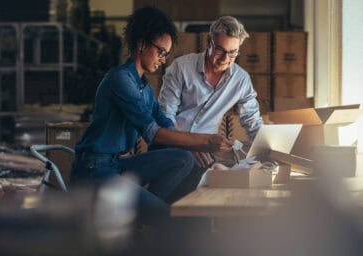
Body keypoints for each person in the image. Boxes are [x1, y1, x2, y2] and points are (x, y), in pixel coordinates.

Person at [70, 7, 233, 224]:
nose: (163, 60)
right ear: (142, 45)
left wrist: (195, 147)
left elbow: (164, 122)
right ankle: (147, 217)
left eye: (166, 54)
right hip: (94, 170)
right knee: (164, 215)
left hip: (117, 166)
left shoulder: (143, 87)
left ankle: (138, 219)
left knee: (183, 158)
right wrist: (204, 141)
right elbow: (153, 134)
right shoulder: (120, 80)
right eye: (161, 52)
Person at [158, 16, 263, 199]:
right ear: (208, 42)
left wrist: (268, 149)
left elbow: (252, 122)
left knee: (208, 198)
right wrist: (190, 145)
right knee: (176, 200)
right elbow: (165, 116)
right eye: (220, 50)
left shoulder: (241, 80)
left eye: (233, 53)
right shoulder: (181, 68)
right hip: (170, 146)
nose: (225, 59)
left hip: (205, 152)